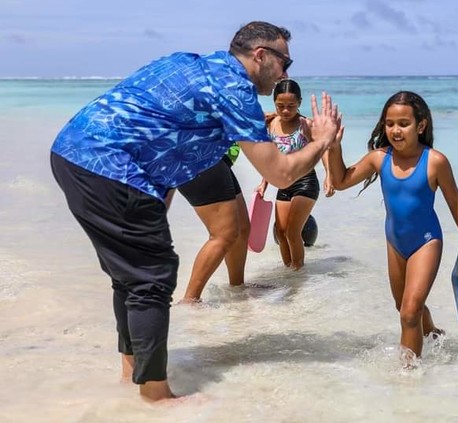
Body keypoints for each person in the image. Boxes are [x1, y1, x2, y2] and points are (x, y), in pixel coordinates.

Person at [50, 21, 341, 402]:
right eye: (285, 62)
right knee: (151, 277)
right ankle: (156, 396)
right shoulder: (235, 88)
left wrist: (154, 208)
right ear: (261, 56)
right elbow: (280, 173)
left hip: (73, 153)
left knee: (131, 277)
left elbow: (158, 131)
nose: (286, 74)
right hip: (111, 166)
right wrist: (321, 142)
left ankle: (132, 373)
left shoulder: (187, 63)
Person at [326, 91, 458, 365]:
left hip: (426, 241)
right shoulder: (379, 158)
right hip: (395, 242)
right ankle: (432, 333)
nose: (395, 130)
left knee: (409, 313)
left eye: (403, 124)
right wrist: (334, 147)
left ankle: (409, 375)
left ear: (420, 126)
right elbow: (340, 181)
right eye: (390, 123)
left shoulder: (434, 161)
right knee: (405, 307)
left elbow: (455, 201)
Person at [256, 79, 333, 270]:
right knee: (280, 232)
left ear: (299, 102)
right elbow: (270, 157)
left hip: (306, 182)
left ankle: (298, 270)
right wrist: (263, 184)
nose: (285, 111)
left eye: (291, 106)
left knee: (292, 232)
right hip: (283, 183)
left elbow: (322, 149)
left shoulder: (306, 124)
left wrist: (329, 175)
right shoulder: (271, 124)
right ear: (274, 103)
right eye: (280, 106)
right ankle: (289, 272)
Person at [173, 144, 250, 303]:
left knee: (242, 228)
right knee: (223, 235)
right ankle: (190, 300)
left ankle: (237, 287)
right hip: (199, 157)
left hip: (218, 158)